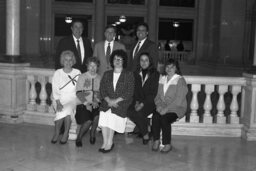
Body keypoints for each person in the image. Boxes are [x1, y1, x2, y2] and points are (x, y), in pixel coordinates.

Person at [98, 49, 134, 153]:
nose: (117, 61)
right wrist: (109, 100)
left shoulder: (128, 74)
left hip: (121, 102)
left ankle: (110, 142)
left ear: (124, 61)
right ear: (112, 61)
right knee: (104, 115)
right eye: (115, 59)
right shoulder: (106, 74)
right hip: (107, 101)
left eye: (120, 59)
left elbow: (129, 92)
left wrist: (115, 101)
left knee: (112, 116)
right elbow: (102, 89)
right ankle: (104, 142)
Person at [152, 58, 188, 153]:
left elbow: (179, 100)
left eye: (172, 67)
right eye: (167, 66)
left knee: (164, 118)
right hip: (163, 107)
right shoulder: (162, 79)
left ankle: (167, 144)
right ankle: (156, 140)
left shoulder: (180, 80)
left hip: (177, 108)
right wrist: (159, 106)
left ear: (176, 68)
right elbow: (157, 96)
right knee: (155, 116)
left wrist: (166, 109)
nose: (169, 69)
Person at [127, 52, 159, 145]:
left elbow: (153, 93)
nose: (144, 62)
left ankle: (145, 135)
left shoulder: (155, 74)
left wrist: (142, 104)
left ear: (150, 61)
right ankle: (146, 131)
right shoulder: (136, 73)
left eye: (146, 60)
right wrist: (137, 102)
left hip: (150, 101)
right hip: (138, 100)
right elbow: (134, 90)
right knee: (128, 110)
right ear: (139, 62)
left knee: (139, 112)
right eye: (142, 60)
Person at [51, 50, 81, 144]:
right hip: (59, 98)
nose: (68, 62)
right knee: (64, 111)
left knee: (66, 110)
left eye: (70, 60)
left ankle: (64, 133)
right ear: (62, 61)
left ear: (73, 61)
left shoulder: (77, 72)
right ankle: (58, 133)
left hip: (72, 98)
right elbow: (55, 89)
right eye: (66, 60)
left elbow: (80, 88)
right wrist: (58, 103)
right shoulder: (58, 73)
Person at [75, 57, 101, 147]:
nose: (93, 68)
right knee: (88, 121)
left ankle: (92, 133)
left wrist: (96, 101)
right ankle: (79, 137)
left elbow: (101, 92)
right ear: (87, 66)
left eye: (95, 66)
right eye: (91, 66)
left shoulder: (99, 78)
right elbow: (78, 92)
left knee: (97, 117)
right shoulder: (82, 77)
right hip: (83, 104)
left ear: (97, 67)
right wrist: (86, 104)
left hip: (96, 103)